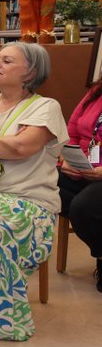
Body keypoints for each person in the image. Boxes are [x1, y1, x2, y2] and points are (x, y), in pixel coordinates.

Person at [0, 43, 67, 340]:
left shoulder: (46, 107)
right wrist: (2, 146)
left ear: (30, 72)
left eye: (7, 60)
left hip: (28, 204)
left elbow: (22, 147)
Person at [58, 78, 102, 292]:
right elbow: (72, 131)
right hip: (84, 167)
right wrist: (67, 160)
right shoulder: (96, 91)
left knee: (83, 207)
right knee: (42, 183)